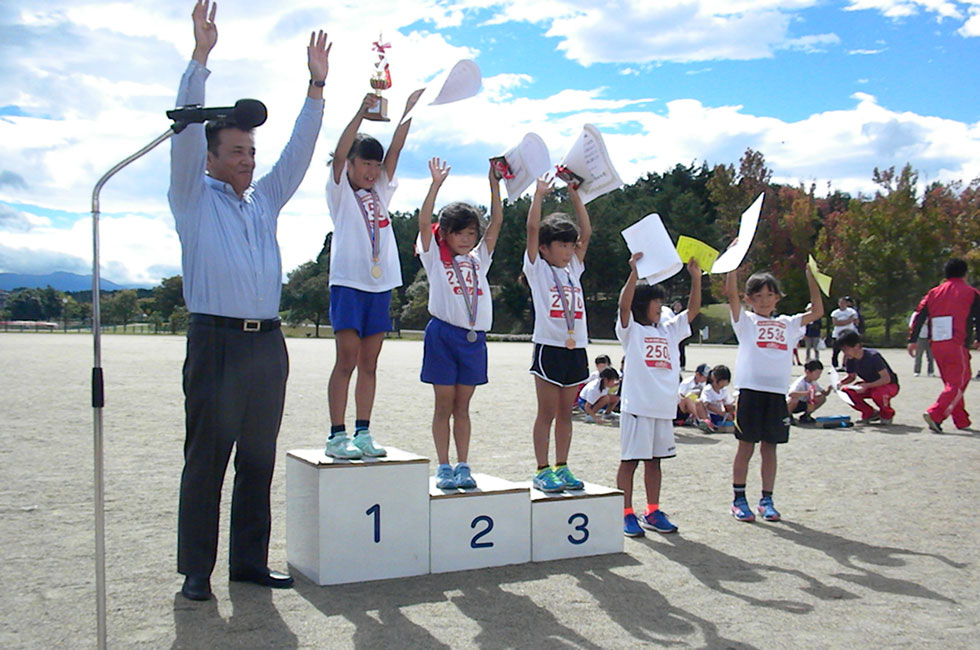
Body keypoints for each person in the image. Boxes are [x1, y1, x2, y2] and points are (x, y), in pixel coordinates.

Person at [168, 0, 330, 601]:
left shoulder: (263, 200)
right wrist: (200, 59)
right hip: (214, 341)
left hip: (267, 343)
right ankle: (195, 573)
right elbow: (184, 131)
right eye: (236, 150)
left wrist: (315, 88)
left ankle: (248, 564)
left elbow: (298, 153)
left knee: (257, 461)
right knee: (206, 462)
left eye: (250, 151)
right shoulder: (192, 196)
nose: (248, 159)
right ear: (211, 157)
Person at [324, 76, 418, 459]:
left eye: (375, 166)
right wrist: (362, 113)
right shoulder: (340, 191)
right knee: (346, 359)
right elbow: (343, 147)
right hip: (348, 283)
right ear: (349, 164)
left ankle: (364, 432)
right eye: (365, 163)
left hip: (380, 286)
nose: (372, 171)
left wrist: (409, 110)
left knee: (370, 363)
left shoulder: (381, 189)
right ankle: (336, 435)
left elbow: (396, 147)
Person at [416, 158, 503, 489]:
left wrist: (493, 184)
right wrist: (435, 185)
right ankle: (444, 466)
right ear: (447, 235)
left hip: (473, 340)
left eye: (471, 233)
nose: (466, 239)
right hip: (442, 335)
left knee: (463, 407)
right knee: (443, 404)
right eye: (459, 233)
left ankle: (464, 464)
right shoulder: (435, 257)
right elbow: (425, 223)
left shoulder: (479, 259)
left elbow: (496, 222)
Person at [725, 265, 823, 523]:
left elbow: (817, 311)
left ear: (777, 297)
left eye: (769, 295)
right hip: (750, 392)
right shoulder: (746, 321)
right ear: (749, 300)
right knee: (746, 446)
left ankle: (766, 499)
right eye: (757, 296)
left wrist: (811, 278)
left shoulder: (788, 324)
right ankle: (739, 499)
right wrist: (732, 267)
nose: (764, 301)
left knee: (770, 448)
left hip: (776, 394)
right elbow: (731, 297)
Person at [616, 253, 701, 536]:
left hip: (662, 410)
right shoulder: (632, 331)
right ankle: (625, 512)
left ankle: (652, 510)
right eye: (656, 302)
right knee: (630, 461)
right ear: (643, 304)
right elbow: (623, 306)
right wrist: (633, 274)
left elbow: (691, 312)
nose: (661, 307)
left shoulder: (668, 330)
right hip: (637, 407)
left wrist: (696, 279)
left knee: (655, 462)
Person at [524, 177, 592, 492]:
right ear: (544, 248)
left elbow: (586, 232)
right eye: (561, 245)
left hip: (576, 348)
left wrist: (575, 194)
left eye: (570, 244)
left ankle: (562, 466)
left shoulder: (573, 270)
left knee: (567, 413)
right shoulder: (538, 270)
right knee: (547, 413)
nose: (567, 250)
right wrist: (539, 195)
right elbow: (532, 229)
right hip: (549, 347)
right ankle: (542, 468)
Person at [909, 258, 980, 433]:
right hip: (957, 343)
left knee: (951, 383)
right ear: (964, 273)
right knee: (960, 381)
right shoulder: (971, 293)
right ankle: (936, 413)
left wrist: (913, 340)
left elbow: (919, 315)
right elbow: (979, 318)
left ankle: (961, 419)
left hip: (937, 343)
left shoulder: (933, 293)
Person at [838, 331, 900, 425]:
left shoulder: (873, 356)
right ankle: (870, 413)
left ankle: (887, 414)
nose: (845, 352)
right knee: (846, 392)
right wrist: (840, 383)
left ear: (857, 346)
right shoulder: (850, 359)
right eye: (843, 350)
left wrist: (867, 385)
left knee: (878, 393)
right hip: (869, 385)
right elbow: (851, 377)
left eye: (847, 349)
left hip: (888, 385)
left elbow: (886, 379)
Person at [787, 360, 830, 424]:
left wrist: (830, 388)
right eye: (816, 374)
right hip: (792, 404)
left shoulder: (814, 382)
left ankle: (806, 416)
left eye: (819, 374)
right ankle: (788, 415)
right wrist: (807, 393)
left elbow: (825, 393)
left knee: (822, 398)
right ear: (808, 372)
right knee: (794, 399)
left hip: (804, 403)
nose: (818, 376)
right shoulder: (800, 383)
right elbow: (791, 394)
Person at [696, 365, 735, 433]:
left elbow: (729, 404)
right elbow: (707, 405)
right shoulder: (708, 389)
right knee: (699, 402)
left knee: (733, 407)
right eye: (722, 383)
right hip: (710, 414)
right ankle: (707, 423)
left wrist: (731, 414)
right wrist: (723, 414)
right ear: (714, 378)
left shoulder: (724, 390)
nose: (723, 386)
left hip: (719, 416)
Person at [830, 296, 859, 370]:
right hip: (837, 334)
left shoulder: (851, 311)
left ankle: (845, 365)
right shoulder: (835, 312)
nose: (842, 304)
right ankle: (834, 366)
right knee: (836, 351)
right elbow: (835, 323)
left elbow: (854, 320)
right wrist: (846, 321)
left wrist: (843, 322)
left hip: (848, 334)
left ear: (846, 303)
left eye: (844, 303)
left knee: (848, 351)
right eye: (841, 303)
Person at [907, 309, 934, 377]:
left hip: (930, 337)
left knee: (930, 356)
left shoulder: (932, 313)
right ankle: (917, 371)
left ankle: (931, 371)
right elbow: (911, 325)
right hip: (920, 336)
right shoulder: (916, 314)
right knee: (918, 355)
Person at [671, 300, 690, 370]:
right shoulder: (670, 315)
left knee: (682, 350)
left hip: (680, 335)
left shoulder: (682, 315)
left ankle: (682, 365)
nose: (678, 307)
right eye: (676, 305)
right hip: (673, 335)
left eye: (679, 306)